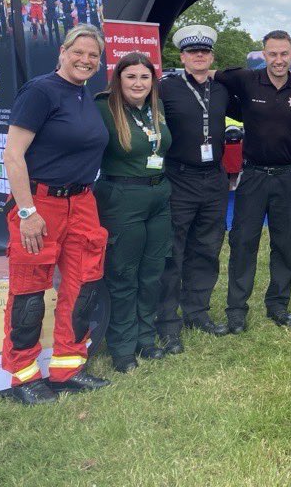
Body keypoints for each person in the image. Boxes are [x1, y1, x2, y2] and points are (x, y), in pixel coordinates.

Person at [0, 24, 110, 405]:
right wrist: (27, 211)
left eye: (93, 55)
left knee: (82, 287)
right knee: (30, 293)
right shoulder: (40, 91)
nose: (85, 60)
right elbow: (12, 155)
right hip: (40, 203)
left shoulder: (84, 95)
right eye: (78, 52)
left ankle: (67, 368)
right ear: (62, 52)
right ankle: (24, 375)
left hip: (82, 202)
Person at [214, 30, 291, 333]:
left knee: (285, 244)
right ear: (263, 54)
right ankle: (236, 311)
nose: (279, 60)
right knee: (243, 243)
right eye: (273, 54)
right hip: (253, 175)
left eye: (284, 54)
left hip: (288, 176)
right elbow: (211, 73)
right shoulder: (246, 79)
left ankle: (278, 305)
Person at [156, 25, 234, 352]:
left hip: (214, 179)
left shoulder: (221, 90)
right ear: (183, 57)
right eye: (192, 52)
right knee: (173, 251)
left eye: (204, 51)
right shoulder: (165, 89)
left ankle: (196, 311)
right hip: (179, 177)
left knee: (207, 247)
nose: (199, 56)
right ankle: (167, 321)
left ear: (211, 56)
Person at [94, 52, 173, 372]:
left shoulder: (157, 107)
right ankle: (123, 348)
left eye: (144, 77)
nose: (138, 83)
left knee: (152, 273)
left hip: (159, 195)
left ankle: (145, 337)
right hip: (122, 197)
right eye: (131, 77)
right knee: (124, 275)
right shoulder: (103, 108)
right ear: (119, 79)